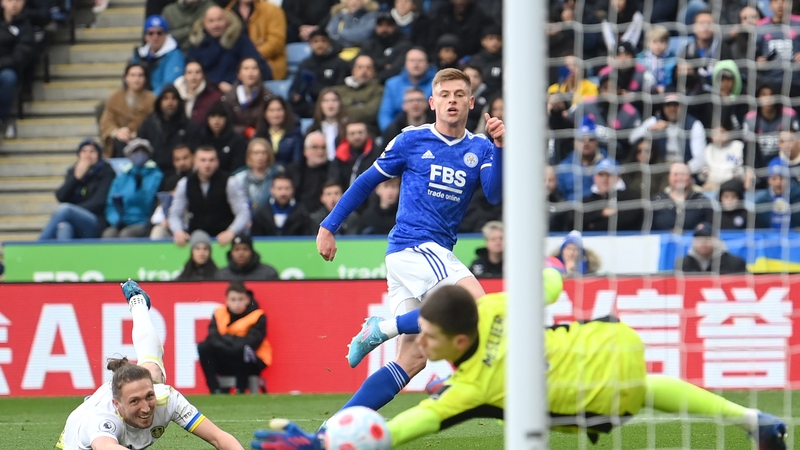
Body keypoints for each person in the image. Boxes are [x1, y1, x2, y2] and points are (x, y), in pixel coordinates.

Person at [252, 285, 787, 450]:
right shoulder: (494, 304)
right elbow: (550, 282)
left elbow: (411, 425)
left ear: (458, 340)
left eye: (430, 339)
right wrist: (552, 268)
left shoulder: (471, 387)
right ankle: (753, 421)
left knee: (603, 403)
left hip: (598, 404)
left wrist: (328, 445)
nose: (424, 344)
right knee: (647, 385)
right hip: (614, 339)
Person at [315, 68, 504, 413]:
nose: (452, 101)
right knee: (479, 306)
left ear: (471, 103)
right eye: (444, 95)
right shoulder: (411, 140)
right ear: (432, 102)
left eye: (459, 95)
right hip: (413, 246)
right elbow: (366, 182)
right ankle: (381, 328)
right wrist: (329, 226)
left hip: (423, 258)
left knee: (412, 359)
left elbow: (493, 194)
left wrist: (502, 147)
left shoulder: (481, 147)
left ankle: (334, 429)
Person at [56, 280, 245, 450]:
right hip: (76, 439)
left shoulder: (167, 399)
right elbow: (105, 447)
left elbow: (219, 438)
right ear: (117, 405)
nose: (146, 408)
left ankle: (137, 301)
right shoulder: (103, 418)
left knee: (153, 372)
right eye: (135, 401)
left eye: (149, 396)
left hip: (123, 393)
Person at [197, 281, 272, 394]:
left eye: (240, 299)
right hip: (227, 358)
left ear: (247, 299)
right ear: (226, 300)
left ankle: (240, 389)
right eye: (233, 299)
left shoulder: (258, 315)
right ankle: (214, 389)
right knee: (203, 347)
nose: (237, 304)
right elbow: (212, 337)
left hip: (252, 361)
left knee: (244, 350)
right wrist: (232, 343)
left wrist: (226, 339)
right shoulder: (219, 313)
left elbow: (252, 342)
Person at [169, 145, 251, 247]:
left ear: (217, 162)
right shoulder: (185, 183)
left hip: (225, 238)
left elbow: (243, 213)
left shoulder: (229, 182)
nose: (207, 164)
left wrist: (231, 231)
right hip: (196, 238)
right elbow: (174, 214)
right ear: (195, 162)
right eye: (203, 160)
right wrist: (178, 231)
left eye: (211, 160)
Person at [39, 139, 116, 240]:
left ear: (99, 154)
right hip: (74, 220)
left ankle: (38, 245)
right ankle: (64, 255)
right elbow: (61, 196)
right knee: (64, 227)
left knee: (65, 209)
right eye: (84, 151)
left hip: (96, 222)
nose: (88, 155)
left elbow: (100, 202)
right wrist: (76, 178)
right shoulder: (74, 171)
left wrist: (74, 210)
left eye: (92, 151)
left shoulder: (107, 171)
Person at [186, 6, 271, 91]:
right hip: (205, 93)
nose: (216, 25)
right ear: (204, 24)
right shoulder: (197, 45)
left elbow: (260, 68)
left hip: (237, 91)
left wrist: (237, 89)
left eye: (219, 20)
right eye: (211, 21)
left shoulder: (240, 41)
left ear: (227, 21)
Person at [102, 139, 164, 238]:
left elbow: (150, 203)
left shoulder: (156, 176)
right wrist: (117, 220)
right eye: (136, 151)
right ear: (130, 155)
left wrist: (140, 188)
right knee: (108, 234)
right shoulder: (121, 178)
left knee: (126, 234)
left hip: (142, 222)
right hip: (121, 221)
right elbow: (111, 204)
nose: (140, 154)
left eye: (143, 151)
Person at [288, 28, 350, 118]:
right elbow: (295, 87)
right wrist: (294, 96)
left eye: (323, 41)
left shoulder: (340, 63)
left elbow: (340, 88)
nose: (319, 44)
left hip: (332, 103)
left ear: (329, 43)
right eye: (315, 41)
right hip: (312, 105)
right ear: (310, 45)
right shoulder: (305, 64)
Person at [98, 63, 157, 158]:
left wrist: (138, 133)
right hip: (119, 141)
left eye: (140, 75)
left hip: (144, 141)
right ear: (126, 78)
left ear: (145, 78)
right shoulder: (115, 97)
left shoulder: (152, 99)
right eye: (133, 75)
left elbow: (155, 123)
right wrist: (117, 132)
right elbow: (106, 121)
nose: (136, 79)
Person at [137, 85, 198, 175]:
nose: (170, 102)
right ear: (159, 102)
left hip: (181, 174)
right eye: (165, 99)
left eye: (173, 98)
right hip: (152, 173)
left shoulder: (189, 125)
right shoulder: (149, 124)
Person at [288, 131, 350, 213]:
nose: (320, 152)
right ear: (305, 150)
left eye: (323, 148)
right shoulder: (295, 170)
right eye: (315, 147)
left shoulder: (336, 169)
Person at [377, 47, 437, 131]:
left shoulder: (437, 84)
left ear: (427, 64)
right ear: (405, 63)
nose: (416, 64)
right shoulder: (392, 84)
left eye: (420, 61)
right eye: (412, 61)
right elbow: (385, 114)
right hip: (398, 131)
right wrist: (391, 133)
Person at [225, 0, 287, 80]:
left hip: (268, 66)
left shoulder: (272, 10)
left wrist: (253, 59)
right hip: (235, 70)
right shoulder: (227, 14)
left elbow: (276, 42)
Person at [581, 159, 643, 232]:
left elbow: (627, 220)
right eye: (601, 174)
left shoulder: (631, 198)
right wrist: (601, 213)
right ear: (594, 178)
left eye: (609, 175)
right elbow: (573, 218)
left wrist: (593, 225)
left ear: (618, 177)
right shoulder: (586, 200)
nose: (605, 179)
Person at [0, 0, 34, 134]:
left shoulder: (26, 27)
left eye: (18, 0)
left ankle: (1, 118)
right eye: (9, 0)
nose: (14, 4)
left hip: (9, 70)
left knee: (8, 78)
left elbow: (20, 56)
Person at [651, 162, 713, 232]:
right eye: (675, 174)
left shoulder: (703, 202)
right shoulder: (656, 201)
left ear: (690, 177)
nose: (680, 178)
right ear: (669, 177)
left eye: (683, 174)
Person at [331, 54, 384, 136]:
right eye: (360, 67)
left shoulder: (379, 90)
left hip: (368, 133)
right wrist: (357, 105)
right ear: (353, 71)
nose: (364, 71)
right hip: (338, 131)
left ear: (374, 72)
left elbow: (370, 113)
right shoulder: (338, 90)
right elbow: (330, 110)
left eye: (368, 68)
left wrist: (343, 107)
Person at [132, 15, 185, 95]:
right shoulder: (139, 55)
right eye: (151, 33)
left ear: (166, 35)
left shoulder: (175, 55)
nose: (155, 37)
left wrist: (148, 100)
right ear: (145, 36)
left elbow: (169, 84)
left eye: (159, 33)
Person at [221, 57, 273, 135]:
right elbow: (226, 125)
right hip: (236, 140)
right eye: (246, 68)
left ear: (260, 73)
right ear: (239, 74)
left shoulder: (268, 97)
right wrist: (246, 131)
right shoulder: (228, 99)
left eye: (254, 68)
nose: (250, 72)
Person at [357, 13, 412, 84]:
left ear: (394, 27)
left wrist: (376, 68)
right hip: (370, 83)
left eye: (388, 25)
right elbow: (361, 62)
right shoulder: (369, 44)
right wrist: (383, 65)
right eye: (381, 25)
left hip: (394, 83)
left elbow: (397, 69)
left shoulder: (404, 44)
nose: (384, 29)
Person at [675, 221, 748, 274]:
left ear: (717, 240)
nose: (703, 243)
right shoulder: (683, 263)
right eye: (699, 239)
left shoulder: (734, 263)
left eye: (707, 239)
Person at [196, 101, 248, 172]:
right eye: (213, 116)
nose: (216, 121)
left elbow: (238, 168)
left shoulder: (237, 140)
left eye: (221, 116)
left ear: (227, 119)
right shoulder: (201, 138)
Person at [254, 96, 304, 168]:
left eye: (279, 110)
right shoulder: (259, 134)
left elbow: (297, 161)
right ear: (265, 114)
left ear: (285, 112)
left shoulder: (295, 134)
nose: (275, 114)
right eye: (271, 110)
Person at [233, 138, 282, 212]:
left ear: (269, 155)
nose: (260, 157)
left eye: (264, 153)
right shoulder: (239, 177)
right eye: (256, 153)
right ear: (249, 155)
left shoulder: (277, 176)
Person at [173, 60, 224, 125]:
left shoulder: (214, 97)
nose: (193, 76)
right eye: (189, 72)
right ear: (184, 76)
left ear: (203, 75)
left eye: (197, 72)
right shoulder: (175, 95)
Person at [755, 159, 800, 229]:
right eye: (774, 178)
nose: (778, 183)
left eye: (782, 178)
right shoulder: (761, 202)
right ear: (768, 180)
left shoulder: (798, 197)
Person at [306, 88, 349, 161]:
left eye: (334, 100)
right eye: (326, 101)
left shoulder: (348, 127)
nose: (330, 104)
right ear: (320, 105)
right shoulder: (313, 128)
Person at [636, 25, 675, 93]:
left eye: (662, 41)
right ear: (648, 43)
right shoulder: (639, 59)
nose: (658, 45)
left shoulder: (673, 60)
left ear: (667, 42)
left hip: (667, 91)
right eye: (654, 41)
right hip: (645, 91)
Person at [467, 25, 503, 99]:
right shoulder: (475, 61)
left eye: (498, 39)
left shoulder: (506, 62)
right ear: (483, 41)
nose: (495, 42)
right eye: (491, 38)